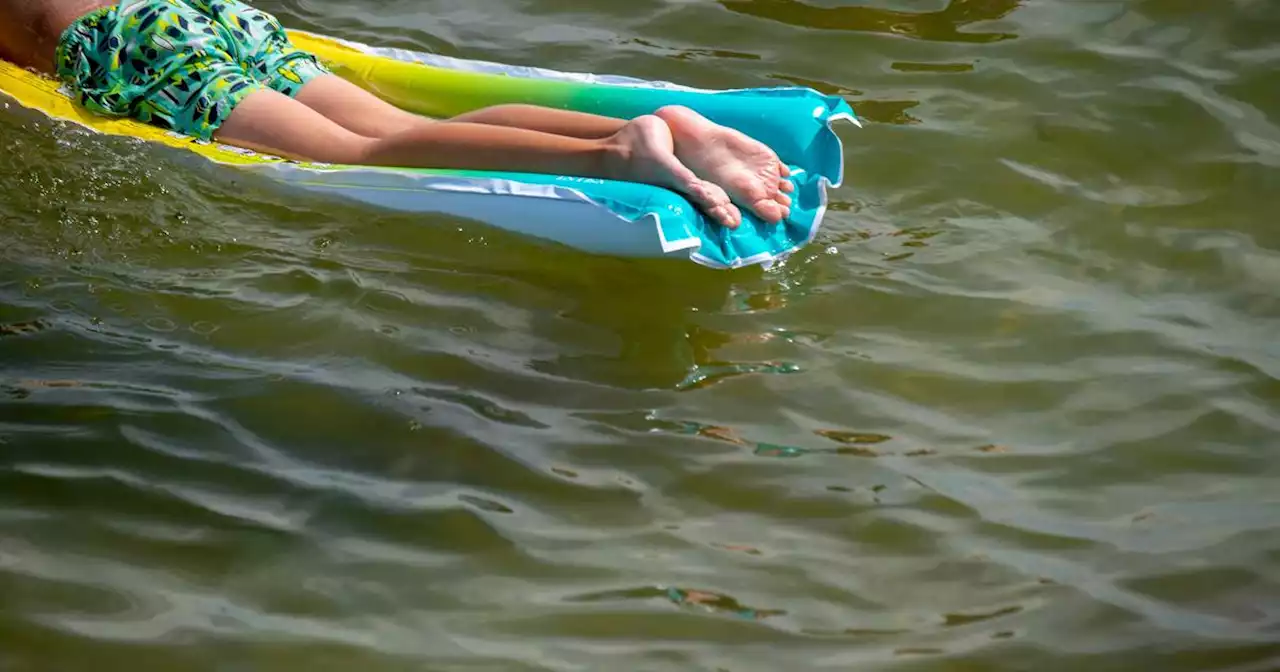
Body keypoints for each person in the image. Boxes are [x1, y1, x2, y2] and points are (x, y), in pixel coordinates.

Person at [0, 0, 795, 229]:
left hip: (127, 44)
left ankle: (616, 152)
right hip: (200, 13)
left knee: (350, 151)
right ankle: (672, 125)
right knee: (380, 120)